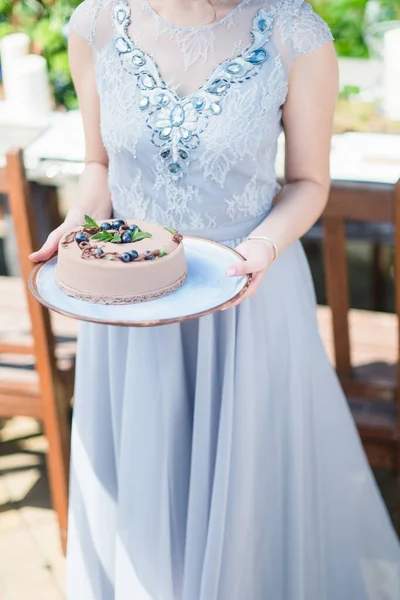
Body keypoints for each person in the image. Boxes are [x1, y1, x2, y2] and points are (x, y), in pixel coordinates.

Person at [30, 0, 400, 597]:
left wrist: (259, 250)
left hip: (245, 300)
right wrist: (78, 228)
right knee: (147, 496)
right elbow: (99, 165)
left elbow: (310, 182)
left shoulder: (294, 32)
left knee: (246, 502)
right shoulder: (94, 24)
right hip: (130, 302)